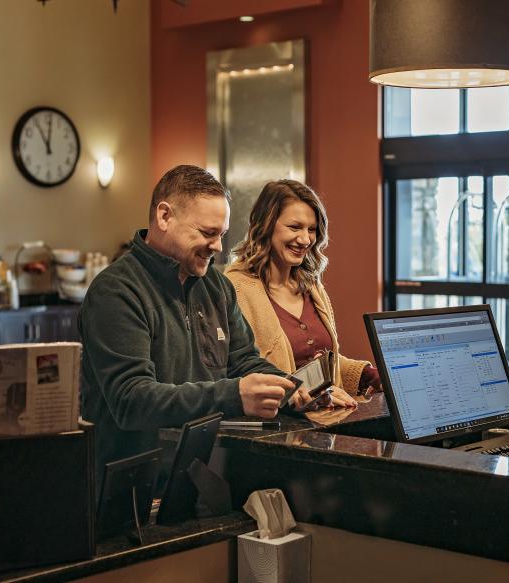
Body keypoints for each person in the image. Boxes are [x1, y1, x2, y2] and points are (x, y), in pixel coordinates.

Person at [79, 165, 294, 485]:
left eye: (221, 235)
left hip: (204, 473)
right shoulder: (116, 291)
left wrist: (295, 389)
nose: (219, 247)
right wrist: (234, 395)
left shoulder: (216, 286)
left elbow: (243, 360)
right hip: (133, 486)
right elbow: (132, 400)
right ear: (165, 217)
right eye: (208, 233)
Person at [224, 179, 382, 406]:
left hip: (327, 423)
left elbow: (319, 364)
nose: (305, 239)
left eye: (312, 229)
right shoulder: (235, 288)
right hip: (280, 428)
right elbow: (239, 371)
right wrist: (308, 395)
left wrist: (367, 374)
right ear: (265, 225)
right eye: (295, 227)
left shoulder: (311, 285)